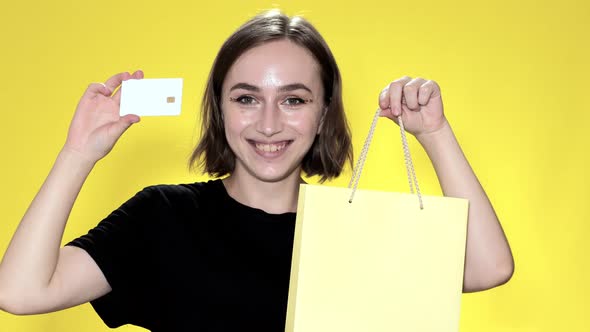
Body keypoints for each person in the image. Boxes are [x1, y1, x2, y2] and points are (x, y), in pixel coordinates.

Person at [0, 9, 514, 332]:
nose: (269, 124)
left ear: (322, 112)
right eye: (247, 98)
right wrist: (77, 155)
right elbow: (20, 292)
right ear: (220, 108)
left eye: (294, 98)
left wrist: (435, 133)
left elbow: (488, 268)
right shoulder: (163, 219)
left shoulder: (353, 228)